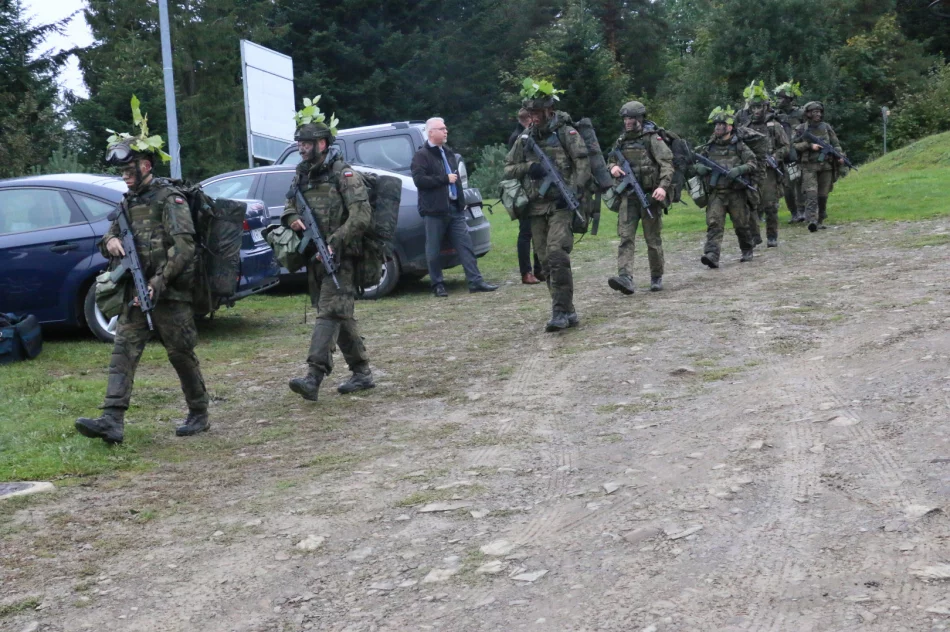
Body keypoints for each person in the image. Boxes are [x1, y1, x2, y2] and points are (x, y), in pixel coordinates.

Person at [75, 134, 209, 444]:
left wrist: (157, 283)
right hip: (135, 291)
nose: (124, 177)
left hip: (170, 293)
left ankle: (199, 411)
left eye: (129, 171)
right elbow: (108, 237)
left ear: (145, 166)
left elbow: (185, 246)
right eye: (121, 172)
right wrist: (110, 242)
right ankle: (111, 419)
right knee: (123, 350)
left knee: (181, 353)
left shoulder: (169, 199)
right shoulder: (127, 202)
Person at [283, 113, 376, 402]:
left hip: (343, 257)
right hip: (315, 257)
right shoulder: (301, 173)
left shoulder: (344, 174)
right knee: (339, 312)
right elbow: (288, 204)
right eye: (299, 143)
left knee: (328, 312)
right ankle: (361, 372)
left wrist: (335, 241)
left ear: (322, 143)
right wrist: (293, 219)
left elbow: (361, 215)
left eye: (307, 143)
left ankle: (313, 376)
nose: (302, 148)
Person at [504, 79, 591, 332]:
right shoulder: (524, 139)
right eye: (530, 114)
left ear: (548, 111)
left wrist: (573, 190)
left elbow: (583, 165)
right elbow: (508, 168)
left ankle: (559, 311)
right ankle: (567, 308)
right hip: (535, 207)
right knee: (543, 262)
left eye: (537, 113)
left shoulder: (566, 133)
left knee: (557, 254)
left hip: (561, 205)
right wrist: (530, 167)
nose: (534, 118)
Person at [411, 117, 498, 297]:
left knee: (465, 246)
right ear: (431, 132)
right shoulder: (422, 155)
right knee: (433, 249)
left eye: (445, 128)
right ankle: (438, 285)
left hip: (454, 208)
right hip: (434, 211)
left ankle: (475, 281)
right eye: (441, 129)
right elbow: (419, 181)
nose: (446, 131)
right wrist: (444, 179)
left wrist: (461, 203)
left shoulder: (448, 152)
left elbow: (456, 179)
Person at [606, 100, 674, 294]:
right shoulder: (621, 140)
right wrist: (613, 168)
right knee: (625, 238)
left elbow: (667, 164)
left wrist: (662, 187)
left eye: (631, 118)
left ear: (639, 119)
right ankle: (625, 277)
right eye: (625, 118)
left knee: (652, 239)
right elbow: (610, 160)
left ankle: (656, 276)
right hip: (628, 197)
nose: (627, 122)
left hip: (649, 196)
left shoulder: (652, 139)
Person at [693, 107, 757, 268]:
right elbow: (696, 161)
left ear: (730, 127)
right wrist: (699, 168)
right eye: (716, 125)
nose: (718, 128)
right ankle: (712, 255)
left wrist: (739, 170)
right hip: (717, 193)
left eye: (721, 124)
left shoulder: (739, 146)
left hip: (736, 193)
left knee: (741, 224)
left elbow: (752, 163)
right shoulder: (709, 146)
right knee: (714, 224)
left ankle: (747, 249)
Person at [739, 86, 789, 248]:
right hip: (752, 170)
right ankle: (755, 236)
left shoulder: (774, 126)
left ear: (766, 107)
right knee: (750, 205)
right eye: (753, 107)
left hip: (769, 171)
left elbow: (786, 146)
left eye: (759, 106)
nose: (756, 110)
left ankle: (772, 236)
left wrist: (775, 156)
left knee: (770, 205)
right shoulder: (745, 126)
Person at [792, 101, 847, 232]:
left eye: (819, 112)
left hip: (826, 166)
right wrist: (809, 146)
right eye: (814, 112)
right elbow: (793, 145)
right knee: (811, 194)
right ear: (808, 113)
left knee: (823, 195)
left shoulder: (826, 127)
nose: (818, 114)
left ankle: (820, 219)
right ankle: (812, 220)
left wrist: (840, 156)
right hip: (809, 166)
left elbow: (836, 143)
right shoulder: (801, 129)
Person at [509, 108, 543, 285]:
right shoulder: (519, 138)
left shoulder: (529, 135)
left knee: (538, 229)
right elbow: (513, 167)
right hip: (524, 192)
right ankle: (526, 272)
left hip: (535, 190)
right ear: (529, 119)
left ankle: (539, 269)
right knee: (526, 232)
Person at [773, 81, 806, 223]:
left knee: (800, 182)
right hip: (783, 155)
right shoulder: (774, 115)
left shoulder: (800, 113)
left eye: (781, 98)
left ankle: (802, 211)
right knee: (787, 186)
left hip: (799, 152)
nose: (778, 101)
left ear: (789, 99)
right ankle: (793, 212)